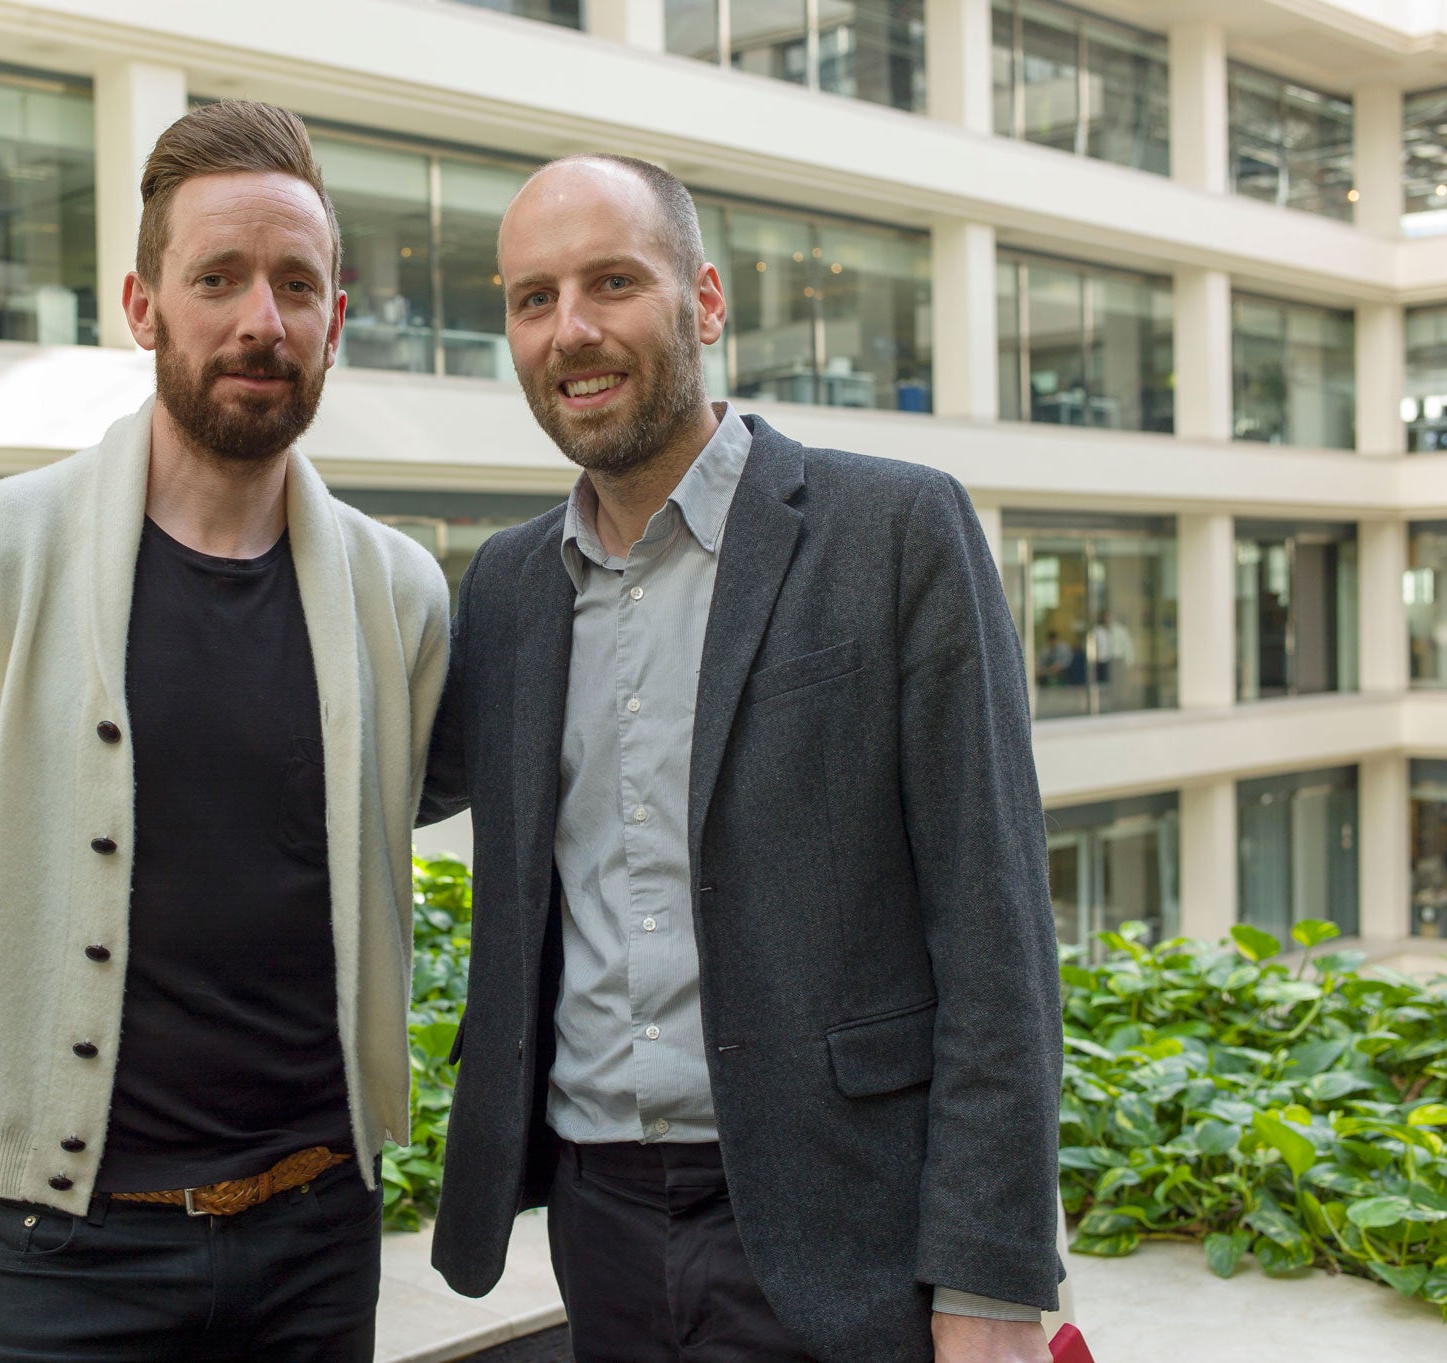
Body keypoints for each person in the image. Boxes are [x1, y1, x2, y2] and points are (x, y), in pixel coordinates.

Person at [420, 155, 1062, 1363]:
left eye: (612, 281)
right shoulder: (507, 586)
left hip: (843, 1225)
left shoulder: (897, 532)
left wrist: (990, 1274)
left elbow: (996, 933)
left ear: (704, 302)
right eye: (532, 298)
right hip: (595, 1215)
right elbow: (371, 779)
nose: (572, 331)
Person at [0, 100, 450, 1362]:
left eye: (297, 284)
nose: (262, 319)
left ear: (335, 322)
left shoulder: (398, 593)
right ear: (143, 308)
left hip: (316, 1246)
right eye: (218, 279)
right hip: (57, 1253)